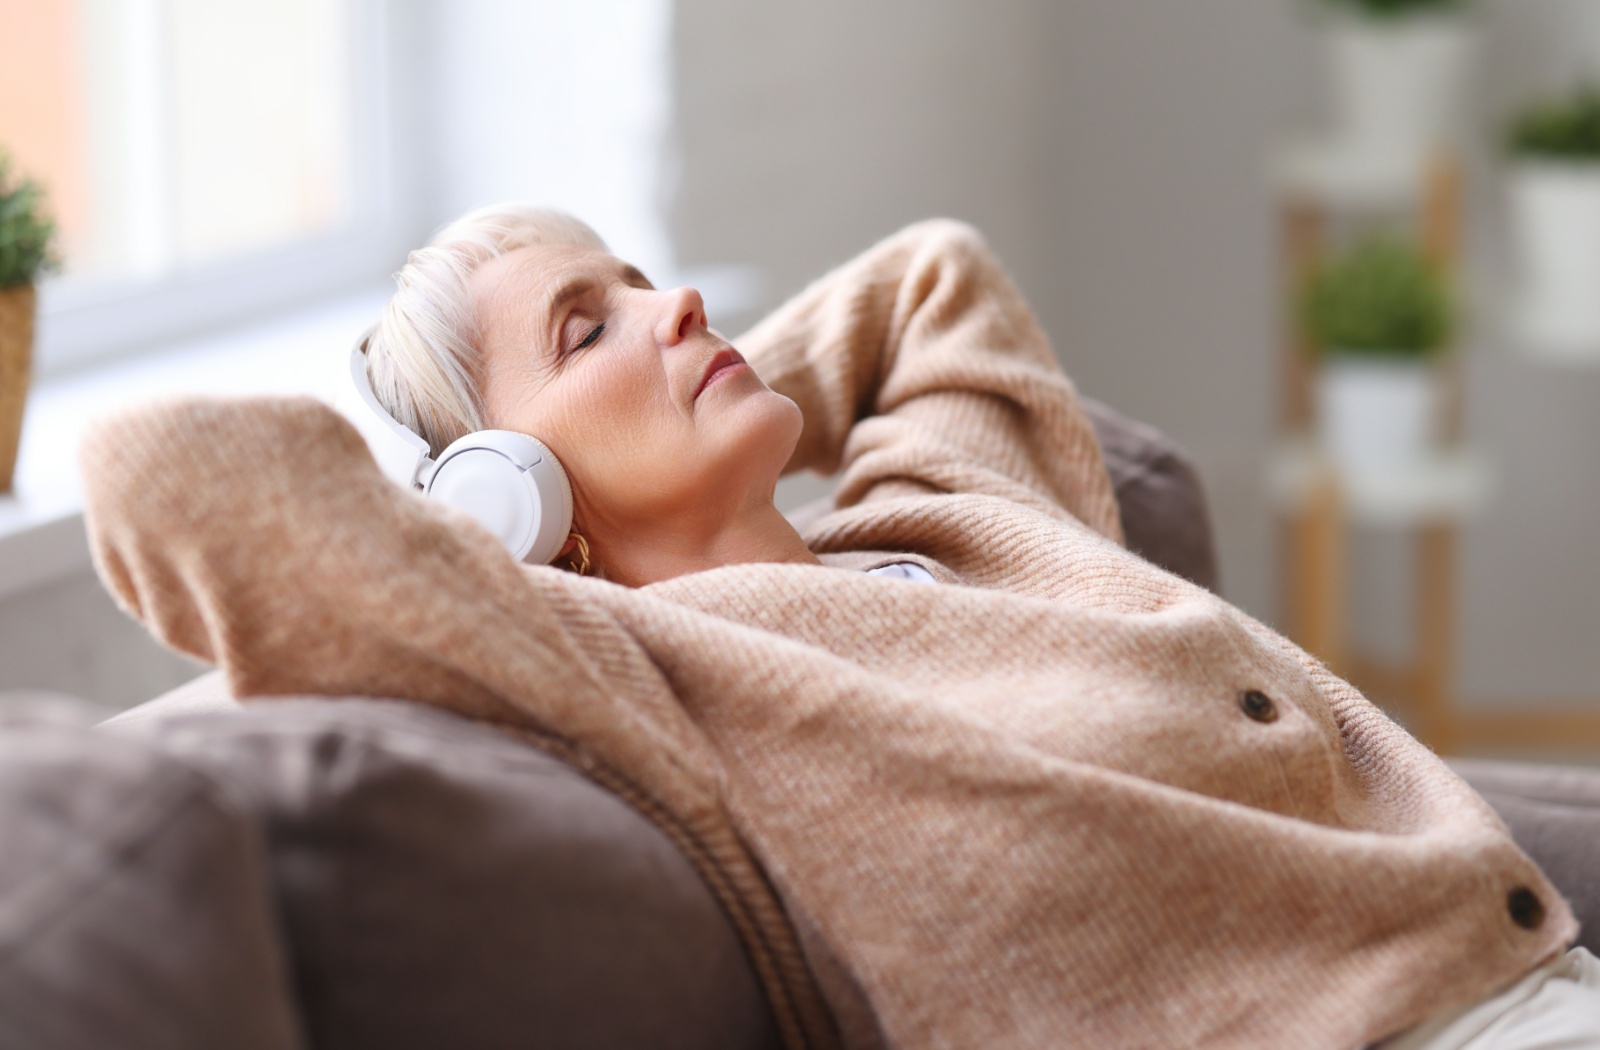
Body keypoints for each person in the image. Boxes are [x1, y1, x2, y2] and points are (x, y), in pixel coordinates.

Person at [82, 205, 1597, 1049]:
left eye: (638, 277)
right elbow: (159, 474)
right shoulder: (629, 663)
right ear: (513, 489)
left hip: (1520, 965)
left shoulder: (940, 509)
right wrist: (501, 523)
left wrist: (700, 390)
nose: (669, 301)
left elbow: (933, 276)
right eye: (584, 327)